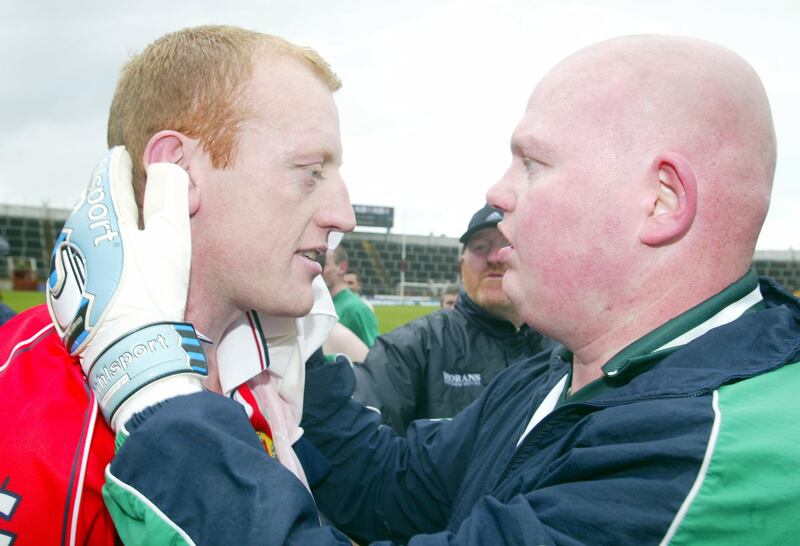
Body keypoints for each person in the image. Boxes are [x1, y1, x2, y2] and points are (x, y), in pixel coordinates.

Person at [36, 34, 800, 545]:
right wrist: (301, 361)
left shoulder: (718, 452)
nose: (497, 192)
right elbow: (389, 484)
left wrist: (157, 400)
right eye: (309, 172)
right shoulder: (557, 377)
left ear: (661, 201)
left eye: (533, 163)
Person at [0, 25, 354, 545]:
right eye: (310, 170)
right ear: (178, 171)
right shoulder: (31, 415)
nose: (343, 215)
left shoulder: (264, 370)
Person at [352, 204, 552, 434]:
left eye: (508, 244)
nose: (494, 257)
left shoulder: (570, 349)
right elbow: (364, 443)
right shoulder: (411, 349)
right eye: (480, 247)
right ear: (461, 267)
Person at [322, 246, 379, 346]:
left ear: (342, 268)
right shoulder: (321, 304)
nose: (318, 269)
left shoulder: (357, 309)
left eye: (324, 264)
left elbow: (375, 354)